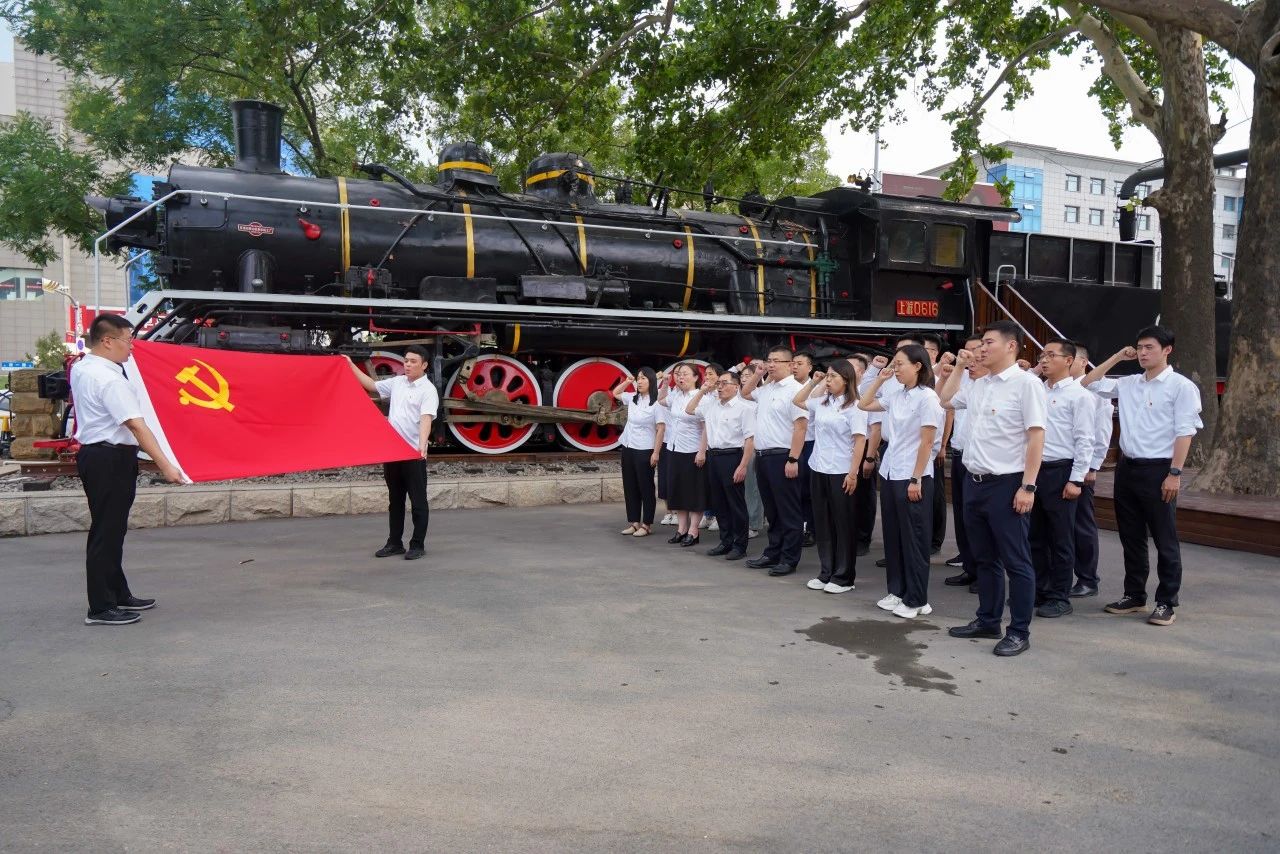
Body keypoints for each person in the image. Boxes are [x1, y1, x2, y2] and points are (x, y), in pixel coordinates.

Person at [939, 321, 1047, 657]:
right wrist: (959, 366)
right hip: (974, 482)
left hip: (1007, 484)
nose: (981, 349)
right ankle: (988, 620)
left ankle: (1019, 631)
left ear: (1011, 346)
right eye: (980, 344)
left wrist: (1028, 486)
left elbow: (1036, 436)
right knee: (984, 558)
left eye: (988, 343)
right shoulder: (979, 384)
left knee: (1016, 561)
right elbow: (945, 400)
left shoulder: (1026, 384)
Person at [1082, 326, 1202, 626]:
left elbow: (1185, 432)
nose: (1142, 353)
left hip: (1159, 469)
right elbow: (1087, 382)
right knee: (1131, 535)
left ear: (1167, 350)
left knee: (1164, 538)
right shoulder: (1129, 383)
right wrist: (1116, 357)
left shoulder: (1181, 387)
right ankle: (1134, 594)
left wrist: (1175, 473)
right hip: (1128, 468)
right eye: (1139, 347)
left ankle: (1166, 601)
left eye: (1149, 347)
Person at [71, 315, 186, 625]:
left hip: (99, 456)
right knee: (106, 532)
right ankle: (100, 607)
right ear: (107, 341)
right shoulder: (109, 380)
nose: (132, 347)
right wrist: (166, 465)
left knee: (112, 529)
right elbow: (136, 425)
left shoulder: (84, 367)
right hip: (109, 458)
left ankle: (118, 592)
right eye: (128, 340)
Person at [859, 345, 944, 618]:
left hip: (913, 474)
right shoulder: (896, 394)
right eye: (893, 364)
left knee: (914, 539)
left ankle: (917, 599)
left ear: (918, 366)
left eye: (899, 364)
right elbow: (863, 404)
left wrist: (916, 478)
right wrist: (880, 380)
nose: (895, 369)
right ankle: (897, 591)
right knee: (894, 536)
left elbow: (927, 442)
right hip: (891, 472)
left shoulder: (927, 398)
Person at [348, 345, 439, 560]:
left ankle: (417, 545)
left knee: (418, 502)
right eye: (406, 360)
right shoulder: (397, 383)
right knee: (395, 501)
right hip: (393, 453)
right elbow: (371, 385)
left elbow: (426, 418)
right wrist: (349, 364)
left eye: (413, 361)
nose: (407, 364)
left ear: (424, 365)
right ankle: (394, 543)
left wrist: (422, 445)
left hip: (413, 453)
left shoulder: (428, 390)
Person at [1028, 339, 1095, 618]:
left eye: (1051, 355)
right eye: (1042, 355)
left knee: (1061, 537)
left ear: (1069, 360)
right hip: (1034, 470)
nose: (1044, 360)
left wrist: (1076, 479)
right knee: (1035, 536)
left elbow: (1085, 440)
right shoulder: (1035, 390)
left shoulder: (1079, 396)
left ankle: (1059, 596)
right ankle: (1039, 589)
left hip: (1061, 471)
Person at [797, 361, 868, 593]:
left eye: (833, 376)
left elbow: (860, 440)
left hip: (841, 470)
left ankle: (844, 577)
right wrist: (814, 382)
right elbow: (798, 401)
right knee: (823, 522)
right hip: (819, 467)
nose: (828, 380)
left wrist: (853, 473)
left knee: (843, 523)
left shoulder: (855, 406)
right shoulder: (822, 402)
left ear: (846, 380)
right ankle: (826, 571)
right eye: (827, 376)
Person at [743, 346, 807, 576]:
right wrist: (758, 374)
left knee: (788, 510)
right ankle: (773, 552)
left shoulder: (796, 390)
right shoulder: (767, 388)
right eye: (769, 360)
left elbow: (801, 427)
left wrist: (793, 458)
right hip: (763, 456)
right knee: (772, 510)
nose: (771, 364)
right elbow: (745, 393)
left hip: (783, 455)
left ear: (790, 365)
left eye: (776, 361)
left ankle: (789, 558)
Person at [686, 369, 755, 559]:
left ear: (736, 386)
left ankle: (740, 545)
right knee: (719, 502)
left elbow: (750, 439)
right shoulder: (711, 405)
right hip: (713, 456)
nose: (720, 387)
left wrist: (743, 466)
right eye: (719, 383)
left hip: (732, 456)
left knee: (736, 503)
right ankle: (725, 541)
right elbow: (689, 409)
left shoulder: (744, 408)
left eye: (725, 383)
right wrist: (702, 390)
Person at [941, 334, 987, 591]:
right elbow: (943, 400)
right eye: (965, 351)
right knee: (962, 515)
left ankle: (984, 572)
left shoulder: (990, 383)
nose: (969, 356)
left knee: (982, 521)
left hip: (983, 461)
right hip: (961, 454)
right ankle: (969, 566)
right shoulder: (963, 379)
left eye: (975, 350)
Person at [1069, 342, 1112, 597]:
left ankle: (1087, 578)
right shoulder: (1054, 387)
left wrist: (1093, 465)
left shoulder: (1095, 389)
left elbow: (1101, 430)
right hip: (1056, 463)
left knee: (1082, 524)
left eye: (1070, 358)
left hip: (1082, 465)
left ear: (1083, 362)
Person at [658, 362, 708, 547]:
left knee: (693, 492)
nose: (681, 377)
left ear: (695, 377)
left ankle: (694, 531)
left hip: (693, 450)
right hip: (674, 448)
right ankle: (681, 529)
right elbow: (661, 400)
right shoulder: (676, 395)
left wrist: (702, 451)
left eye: (685, 374)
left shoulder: (701, 397)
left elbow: (706, 428)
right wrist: (665, 383)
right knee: (678, 490)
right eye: (678, 374)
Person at [613, 366, 660, 537]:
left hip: (645, 448)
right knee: (630, 485)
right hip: (628, 446)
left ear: (651, 381)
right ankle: (633, 522)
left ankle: (647, 524)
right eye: (638, 378)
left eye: (643, 378)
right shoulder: (633, 398)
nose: (639, 382)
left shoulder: (656, 403)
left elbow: (661, 429)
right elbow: (616, 393)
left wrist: (656, 452)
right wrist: (627, 381)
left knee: (645, 487)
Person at [921, 333, 950, 555]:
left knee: (935, 495)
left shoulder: (942, 376)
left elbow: (949, 413)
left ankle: (934, 540)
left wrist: (942, 446)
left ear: (934, 353)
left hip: (932, 446)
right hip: (911, 448)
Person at [791, 350, 818, 546]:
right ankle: (796, 526)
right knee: (794, 488)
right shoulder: (786, 386)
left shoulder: (818, 387)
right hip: (790, 443)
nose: (794, 367)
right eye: (793, 363)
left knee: (808, 489)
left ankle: (811, 528)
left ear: (810, 367)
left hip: (810, 442)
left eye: (799, 363)